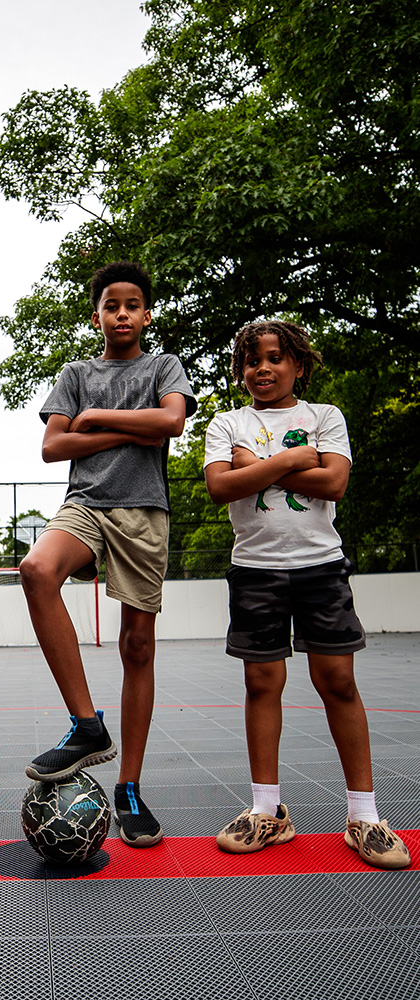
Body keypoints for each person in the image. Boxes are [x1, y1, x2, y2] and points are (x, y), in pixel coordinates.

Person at [203, 319, 410, 870]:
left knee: (337, 680)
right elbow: (221, 485)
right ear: (241, 369)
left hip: (320, 568)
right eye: (252, 361)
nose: (262, 369)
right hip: (255, 570)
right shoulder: (227, 423)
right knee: (260, 682)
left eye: (274, 358)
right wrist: (298, 460)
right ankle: (267, 811)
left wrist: (265, 467)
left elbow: (334, 482)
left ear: (298, 364)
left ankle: (364, 815)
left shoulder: (325, 417)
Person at [19, 260, 196, 847]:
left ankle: (129, 788)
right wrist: (128, 427)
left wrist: (97, 421)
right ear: (95, 314)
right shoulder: (75, 373)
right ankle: (87, 726)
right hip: (86, 503)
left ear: (146, 314)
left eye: (133, 305)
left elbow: (172, 419)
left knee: (136, 646)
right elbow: (53, 445)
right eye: (110, 305)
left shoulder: (163, 365)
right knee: (36, 568)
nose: (122, 314)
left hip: (143, 510)